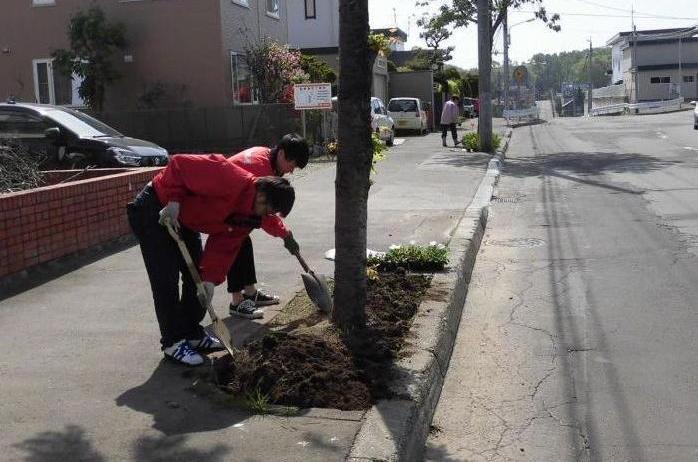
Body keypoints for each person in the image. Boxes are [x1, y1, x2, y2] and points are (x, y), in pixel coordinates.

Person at [127, 154, 295, 366]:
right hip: (157, 206)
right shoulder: (229, 176)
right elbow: (180, 165)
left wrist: (209, 279)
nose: (266, 215)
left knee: (195, 277)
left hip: (186, 221)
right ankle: (172, 342)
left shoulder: (250, 216)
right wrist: (174, 200)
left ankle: (191, 333)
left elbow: (224, 246)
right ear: (262, 194)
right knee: (165, 280)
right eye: (268, 209)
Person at [226, 133, 309, 319]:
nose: (292, 171)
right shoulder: (259, 169)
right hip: (221, 205)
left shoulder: (267, 159)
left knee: (243, 243)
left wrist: (285, 234)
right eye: (292, 164)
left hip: (235, 204)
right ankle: (236, 302)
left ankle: (250, 293)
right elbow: (265, 214)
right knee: (235, 243)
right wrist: (285, 234)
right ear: (281, 153)